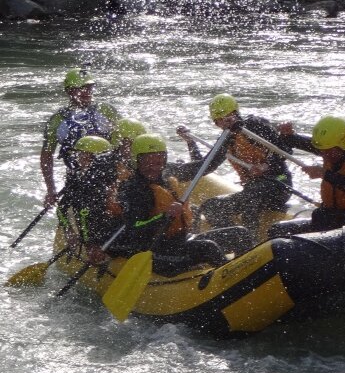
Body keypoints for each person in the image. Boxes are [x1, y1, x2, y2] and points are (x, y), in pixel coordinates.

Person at [115, 134, 253, 276]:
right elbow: (135, 229)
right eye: (147, 162)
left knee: (240, 233)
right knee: (208, 248)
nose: (154, 168)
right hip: (157, 252)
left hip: (181, 241)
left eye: (159, 160)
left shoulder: (168, 172)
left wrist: (228, 137)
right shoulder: (132, 189)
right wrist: (164, 216)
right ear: (136, 161)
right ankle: (232, 278)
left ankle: (249, 274)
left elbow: (204, 166)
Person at [197, 94, 293, 238]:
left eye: (227, 118)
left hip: (279, 183)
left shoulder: (255, 126)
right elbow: (206, 166)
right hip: (252, 190)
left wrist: (265, 166)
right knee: (210, 207)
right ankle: (237, 239)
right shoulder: (227, 138)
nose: (224, 124)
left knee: (253, 195)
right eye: (219, 122)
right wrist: (190, 143)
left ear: (236, 114)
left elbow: (285, 150)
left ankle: (252, 243)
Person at [269, 116, 345, 236]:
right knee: (277, 230)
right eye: (321, 151)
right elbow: (294, 141)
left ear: (342, 144)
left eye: (329, 151)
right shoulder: (329, 148)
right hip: (328, 215)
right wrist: (288, 135)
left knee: (324, 218)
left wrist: (324, 174)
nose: (325, 155)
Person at [40, 68, 119, 207]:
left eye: (89, 87)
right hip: (77, 179)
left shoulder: (106, 110)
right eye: (80, 88)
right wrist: (51, 189)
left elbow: (123, 140)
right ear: (69, 91)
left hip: (111, 174)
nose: (86, 92)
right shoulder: (57, 121)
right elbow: (46, 156)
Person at [57, 136, 120, 264]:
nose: (80, 160)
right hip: (92, 230)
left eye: (85, 156)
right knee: (86, 210)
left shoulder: (117, 175)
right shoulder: (79, 180)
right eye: (79, 155)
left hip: (114, 230)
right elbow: (62, 208)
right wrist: (69, 231)